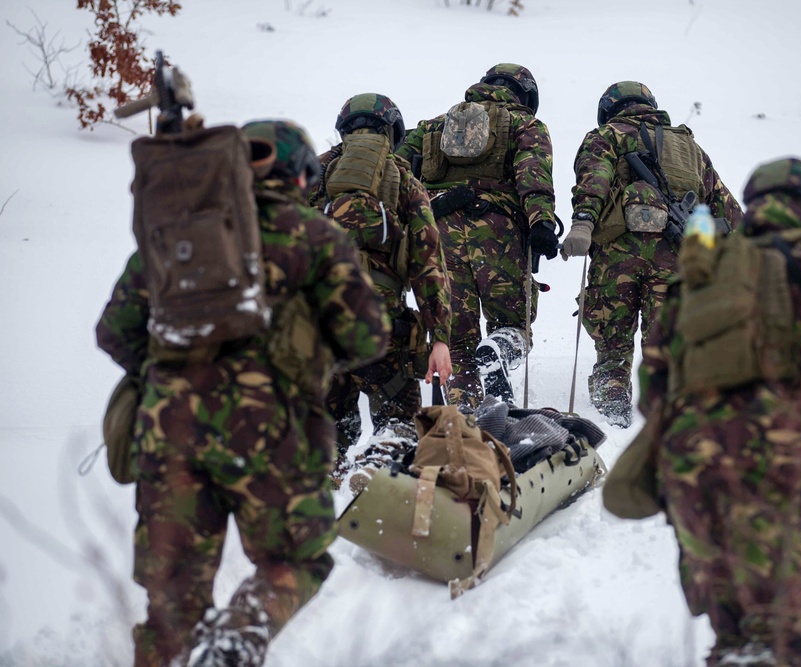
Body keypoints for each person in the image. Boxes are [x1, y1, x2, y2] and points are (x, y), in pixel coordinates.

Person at [96, 119, 390, 666]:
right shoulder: (313, 236)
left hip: (171, 435)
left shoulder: (176, 235)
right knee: (297, 560)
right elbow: (368, 335)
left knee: (173, 602)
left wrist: (172, 376)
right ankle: (239, 634)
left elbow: (114, 330)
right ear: (299, 176)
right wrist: (307, 360)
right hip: (272, 433)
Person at [638, 158, 801, 666]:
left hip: (687, 469)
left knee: (736, 628)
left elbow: (652, 379)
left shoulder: (703, 270)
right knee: (784, 634)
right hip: (777, 463)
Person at [563, 81, 743, 427]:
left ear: (609, 109)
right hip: (675, 258)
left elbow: (593, 181)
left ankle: (611, 401)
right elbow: (725, 206)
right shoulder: (689, 148)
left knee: (612, 344)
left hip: (618, 254)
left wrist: (583, 224)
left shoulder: (605, 136)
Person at [396, 63, 559, 409]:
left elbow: (397, 169)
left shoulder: (434, 126)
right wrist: (541, 223)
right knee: (513, 325)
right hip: (497, 233)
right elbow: (533, 175)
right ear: (526, 94)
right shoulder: (525, 124)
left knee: (456, 341)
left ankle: (467, 416)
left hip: (439, 233)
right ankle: (499, 348)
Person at [311, 93, 453, 476]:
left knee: (326, 430)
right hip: (381, 326)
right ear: (392, 131)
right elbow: (428, 263)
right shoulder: (404, 178)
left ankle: (321, 498)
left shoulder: (314, 174)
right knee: (401, 422)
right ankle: (378, 465)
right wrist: (439, 337)